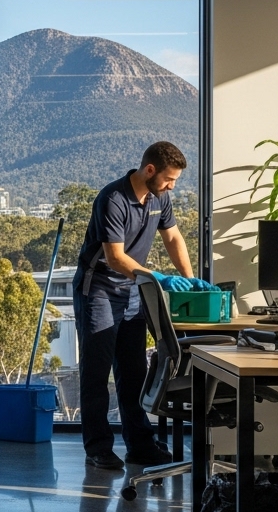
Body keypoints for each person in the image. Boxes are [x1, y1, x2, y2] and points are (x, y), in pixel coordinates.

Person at [73, 141, 210, 470]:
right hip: (100, 290)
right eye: (169, 179)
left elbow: (173, 238)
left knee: (134, 371)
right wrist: (160, 279)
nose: (172, 186)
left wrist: (189, 281)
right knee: (96, 371)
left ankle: (140, 445)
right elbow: (115, 257)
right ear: (150, 170)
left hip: (132, 291)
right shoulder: (114, 199)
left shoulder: (159, 198)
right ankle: (98, 448)